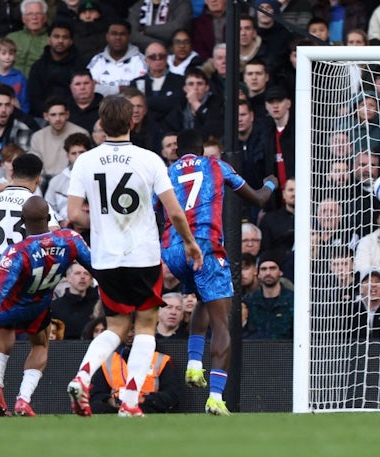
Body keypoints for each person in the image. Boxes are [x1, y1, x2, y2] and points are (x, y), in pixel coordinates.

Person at [66, 95, 203, 418]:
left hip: (106, 258)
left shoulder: (85, 161)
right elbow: (175, 211)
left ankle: (83, 374)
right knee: (145, 327)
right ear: (132, 122)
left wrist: (102, 222)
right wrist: (189, 243)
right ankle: (130, 399)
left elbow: (74, 214)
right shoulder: (150, 159)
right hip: (142, 255)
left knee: (114, 326)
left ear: (101, 124)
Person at [161, 128, 278, 415]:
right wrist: (271, 184)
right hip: (205, 246)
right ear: (202, 150)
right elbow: (258, 199)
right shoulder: (216, 165)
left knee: (202, 297)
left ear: (176, 151)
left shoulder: (165, 173)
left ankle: (192, 365)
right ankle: (215, 396)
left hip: (173, 251)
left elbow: (155, 209)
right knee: (222, 320)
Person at [0, 196, 92, 417]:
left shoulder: (18, 251)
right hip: (38, 303)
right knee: (40, 345)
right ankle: (23, 400)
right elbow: (95, 266)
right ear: (49, 218)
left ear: (22, 221)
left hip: (7, 303)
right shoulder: (70, 239)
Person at [0, 154, 59, 257]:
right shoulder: (38, 204)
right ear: (38, 180)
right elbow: (54, 237)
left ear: (12, 175)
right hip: (25, 266)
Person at [89, 324, 181, 414]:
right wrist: (110, 401)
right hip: (115, 409)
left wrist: (142, 400)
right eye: (126, 330)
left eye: (133, 330)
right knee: (97, 407)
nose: (129, 334)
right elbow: (96, 394)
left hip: (147, 408)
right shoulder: (108, 360)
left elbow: (171, 395)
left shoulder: (161, 360)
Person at [29, 96, 89, 180]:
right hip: (44, 181)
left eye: (61, 114)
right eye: (53, 115)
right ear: (46, 116)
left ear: (67, 114)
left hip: (72, 179)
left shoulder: (81, 133)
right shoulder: (37, 137)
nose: (58, 119)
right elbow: (35, 166)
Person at [87, 20, 147, 97]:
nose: (118, 37)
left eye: (122, 34)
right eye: (114, 34)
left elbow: (139, 91)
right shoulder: (97, 60)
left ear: (129, 37)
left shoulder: (141, 60)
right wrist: (120, 89)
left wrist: (104, 89)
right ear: (107, 36)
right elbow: (90, 89)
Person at [243, 250, 293, 340]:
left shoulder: (294, 301)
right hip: (255, 352)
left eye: (272, 268)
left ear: (280, 272)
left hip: (285, 352)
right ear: (258, 273)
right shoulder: (248, 302)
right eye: (263, 269)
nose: (268, 273)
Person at [44, 132, 91, 227]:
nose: (78, 157)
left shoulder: (96, 177)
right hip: (64, 230)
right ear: (68, 156)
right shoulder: (56, 181)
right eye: (74, 153)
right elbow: (48, 207)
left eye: (81, 152)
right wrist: (61, 222)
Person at [51, 262, 99, 339]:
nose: (82, 277)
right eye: (77, 273)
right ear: (68, 278)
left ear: (91, 279)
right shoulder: (55, 307)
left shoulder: (99, 307)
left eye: (86, 273)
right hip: (62, 349)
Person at [6, 0, 50, 77]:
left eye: (38, 14)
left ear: (45, 18)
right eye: (30, 14)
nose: (34, 17)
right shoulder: (11, 38)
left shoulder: (51, 41)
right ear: (23, 18)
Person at [0, 37, 30, 114]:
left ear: (15, 57)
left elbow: (25, 102)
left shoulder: (20, 77)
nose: (7, 57)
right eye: (3, 53)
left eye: (11, 54)